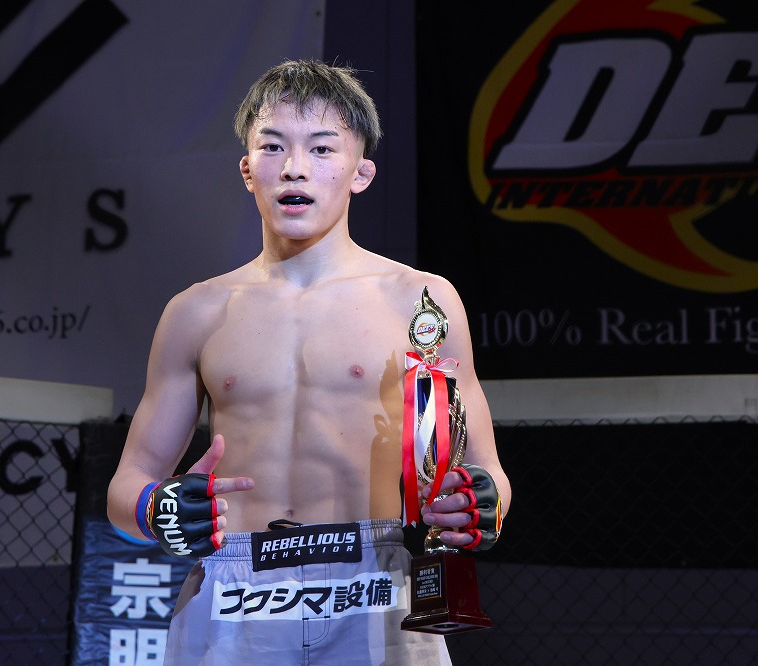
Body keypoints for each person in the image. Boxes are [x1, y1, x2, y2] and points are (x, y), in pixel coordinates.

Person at [107, 59, 511, 665]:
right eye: (273, 146)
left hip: (377, 578)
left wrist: (479, 504)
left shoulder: (421, 300)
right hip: (236, 584)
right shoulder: (196, 312)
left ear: (361, 172)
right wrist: (158, 508)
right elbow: (127, 484)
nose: (294, 166)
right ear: (247, 169)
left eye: (322, 148)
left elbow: (487, 473)